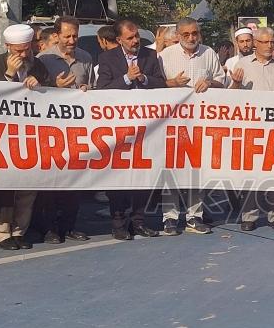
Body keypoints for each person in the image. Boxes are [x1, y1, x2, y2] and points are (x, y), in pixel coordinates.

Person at [0, 24, 54, 250]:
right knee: (2, 187)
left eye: (26, 50)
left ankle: (20, 229)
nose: (23, 55)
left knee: (27, 187)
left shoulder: (38, 65)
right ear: (7, 47)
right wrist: (9, 76)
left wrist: (40, 86)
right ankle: (1, 232)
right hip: (1, 136)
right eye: (18, 51)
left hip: (30, 134)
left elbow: (52, 95)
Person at [97, 18, 165, 240]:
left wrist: (144, 78)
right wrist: (127, 78)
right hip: (119, 129)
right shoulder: (107, 58)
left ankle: (139, 221)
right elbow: (103, 90)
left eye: (137, 36)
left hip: (147, 128)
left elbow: (162, 84)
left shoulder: (150, 55)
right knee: (119, 179)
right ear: (119, 40)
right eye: (130, 37)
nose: (136, 40)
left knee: (143, 178)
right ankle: (119, 223)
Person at [158, 17, 225, 236]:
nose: (191, 38)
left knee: (196, 170)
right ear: (177, 35)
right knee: (171, 171)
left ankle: (194, 216)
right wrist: (170, 84)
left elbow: (221, 80)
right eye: (185, 34)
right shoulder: (165, 56)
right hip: (171, 124)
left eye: (194, 33)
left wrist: (210, 83)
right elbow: (154, 85)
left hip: (200, 124)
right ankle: (170, 218)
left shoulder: (209, 53)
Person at [35, 16, 93, 244]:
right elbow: (32, 93)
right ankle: (48, 228)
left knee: (74, 181)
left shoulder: (86, 58)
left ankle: (69, 226)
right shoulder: (43, 59)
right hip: (50, 130)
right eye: (67, 36)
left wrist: (88, 89)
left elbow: (95, 89)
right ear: (56, 36)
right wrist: (53, 87)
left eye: (75, 36)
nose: (72, 40)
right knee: (50, 183)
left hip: (76, 130)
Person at [229, 26, 274, 230]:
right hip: (251, 128)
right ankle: (249, 216)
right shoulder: (242, 65)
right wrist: (236, 84)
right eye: (265, 42)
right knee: (251, 175)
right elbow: (231, 100)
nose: (270, 45)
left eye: (272, 42)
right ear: (255, 43)